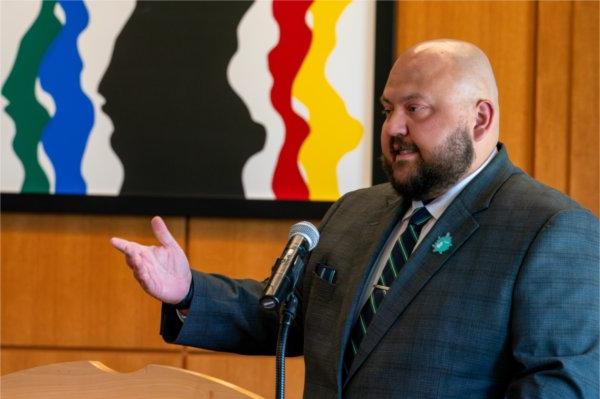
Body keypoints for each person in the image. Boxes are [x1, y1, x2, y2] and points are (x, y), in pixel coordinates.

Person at [111, 39, 599, 398]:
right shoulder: (356, 211)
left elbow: (561, 388)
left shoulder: (549, 230)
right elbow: (286, 319)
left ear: (480, 119)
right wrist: (187, 292)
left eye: (415, 109)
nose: (394, 128)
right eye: (388, 109)